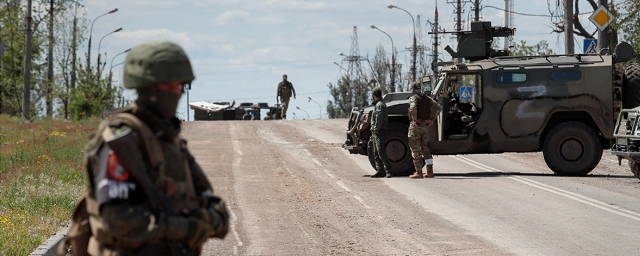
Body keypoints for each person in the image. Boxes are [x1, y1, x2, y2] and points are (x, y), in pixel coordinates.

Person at [61, 41, 229, 256]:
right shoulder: (122, 140)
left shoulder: (168, 139)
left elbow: (210, 202)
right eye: (168, 87)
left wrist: (210, 219)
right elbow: (118, 220)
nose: (176, 93)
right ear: (147, 88)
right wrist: (183, 228)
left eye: (179, 86)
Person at [408, 82, 442, 179]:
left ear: (413, 89)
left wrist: (415, 119)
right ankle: (429, 171)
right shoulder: (427, 98)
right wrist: (431, 119)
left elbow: (413, 107)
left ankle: (418, 172)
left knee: (415, 149)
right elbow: (438, 107)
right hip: (425, 127)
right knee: (425, 149)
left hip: (416, 126)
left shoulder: (413, 98)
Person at [370, 87, 393, 178]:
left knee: (380, 151)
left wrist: (376, 128)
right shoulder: (379, 104)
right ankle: (380, 170)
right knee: (376, 152)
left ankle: (388, 170)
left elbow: (379, 118)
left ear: (373, 95)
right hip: (376, 130)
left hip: (379, 130)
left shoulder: (379, 105)